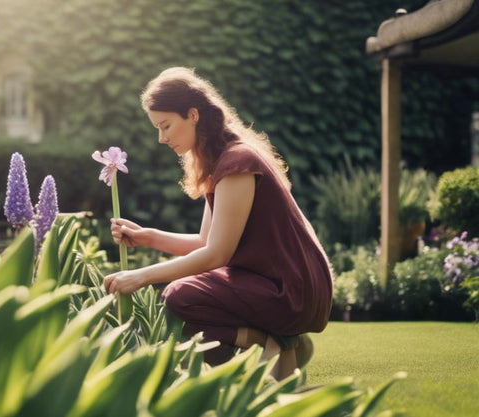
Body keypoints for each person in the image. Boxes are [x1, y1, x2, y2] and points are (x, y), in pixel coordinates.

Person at [102, 67, 332, 380]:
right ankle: (227, 386)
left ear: (193, 114)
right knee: (190, 308)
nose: (161, 138)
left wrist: (141, 277)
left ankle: (275, 344)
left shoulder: (237, 162)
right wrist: (148, 237)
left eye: (166, 125)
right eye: (158, 128)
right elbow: (204, 243)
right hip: (272, 284)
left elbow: (216, 255)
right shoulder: (221, 163)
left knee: (181, 296)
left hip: (291, 289)